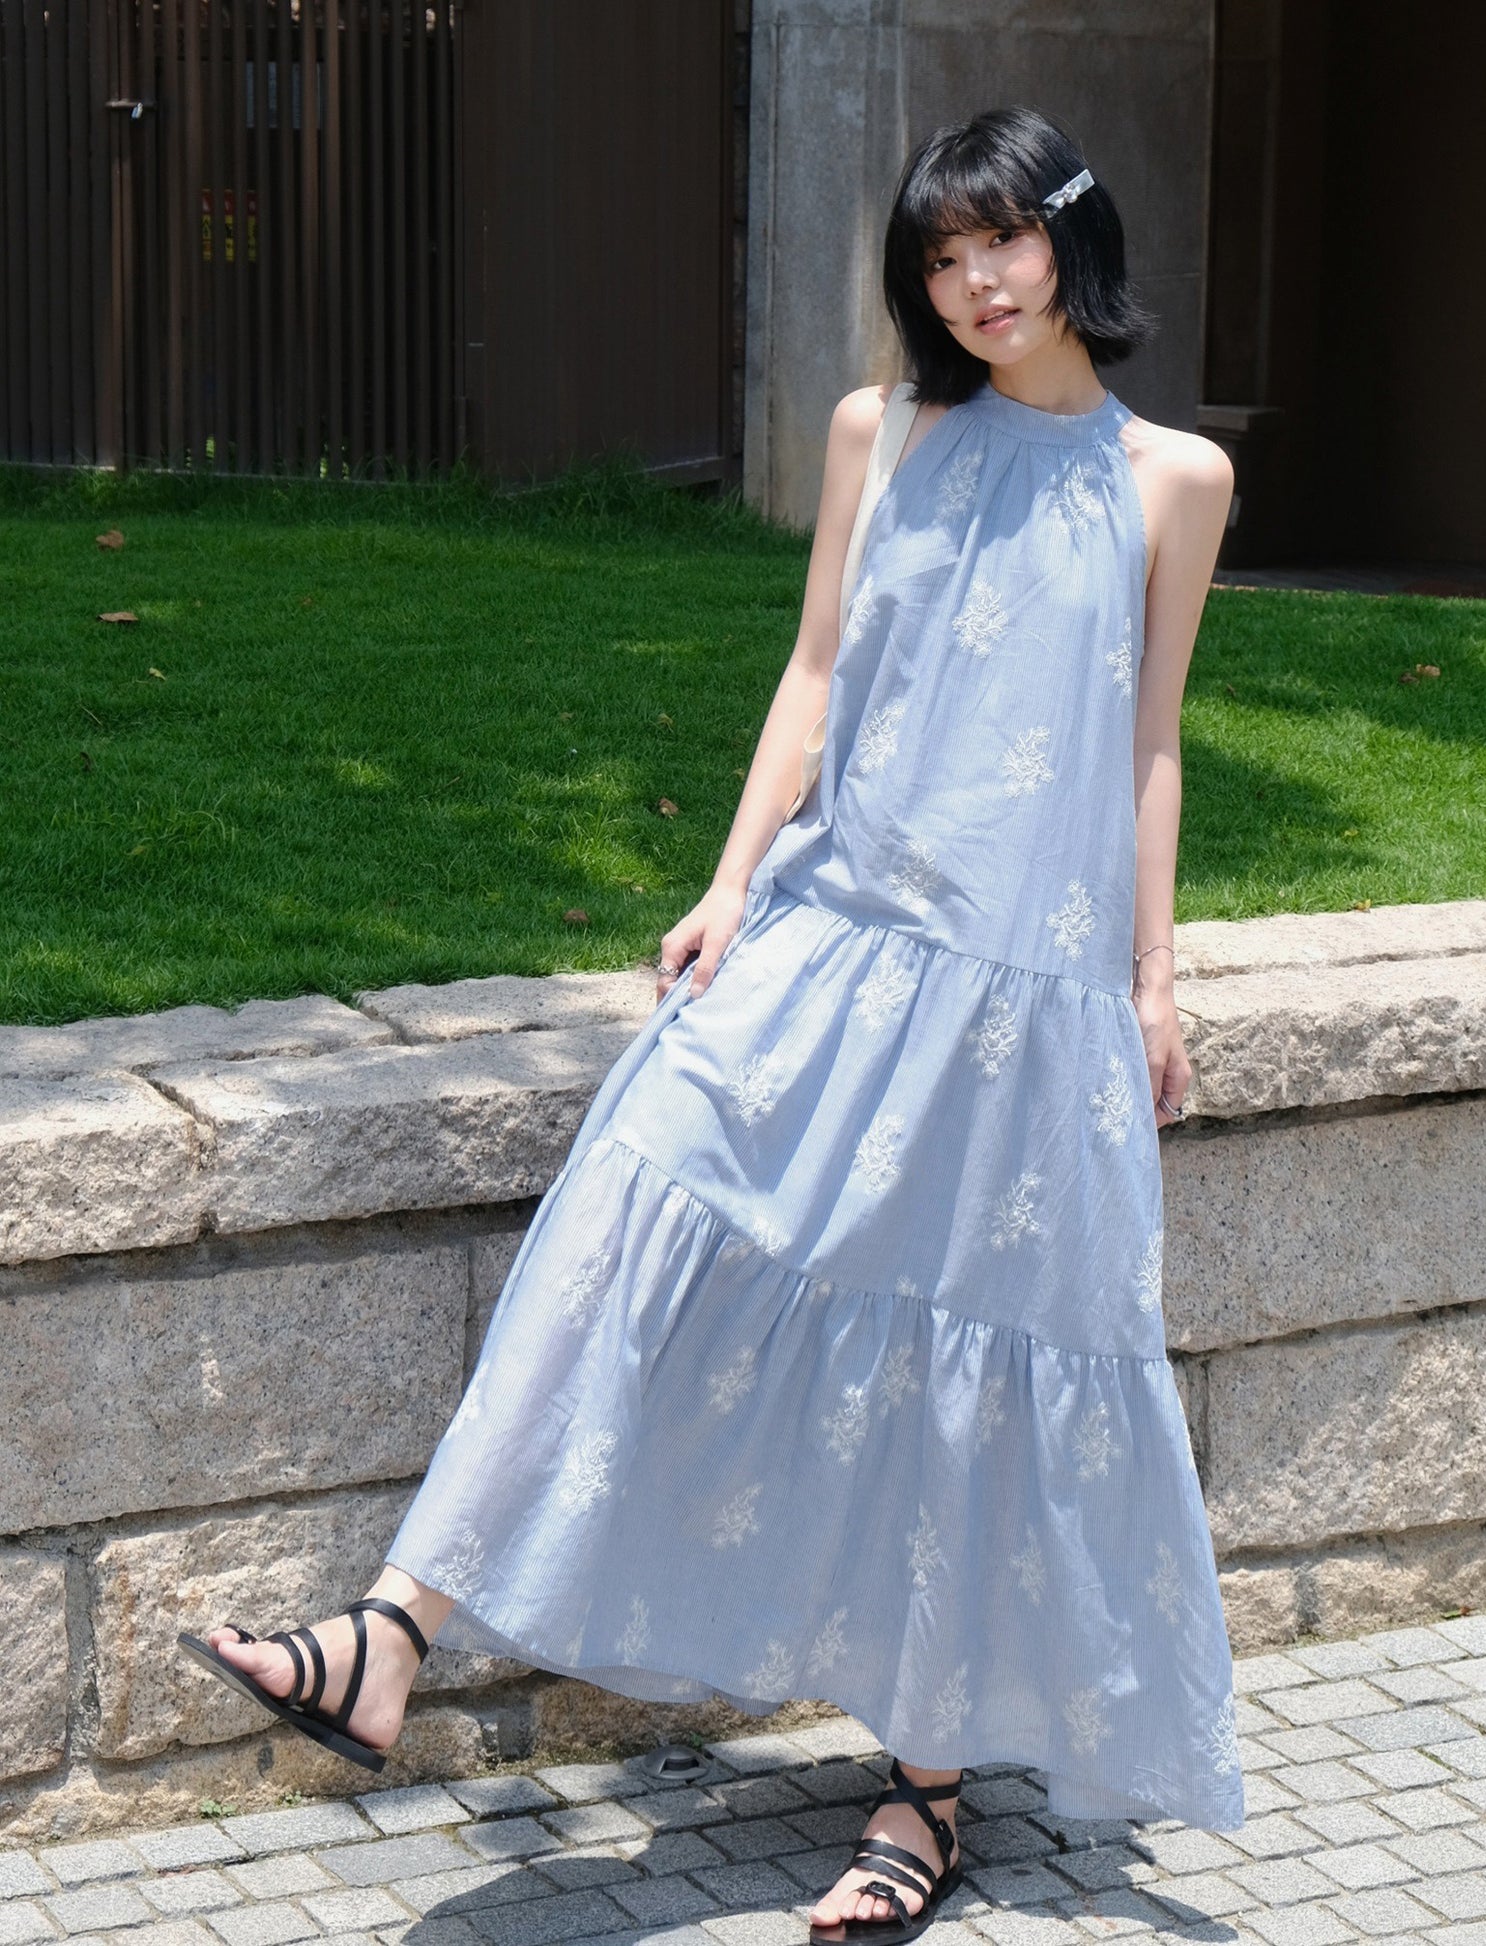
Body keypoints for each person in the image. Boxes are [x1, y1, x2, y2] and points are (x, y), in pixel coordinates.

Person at [180, 104, 1242, 1944]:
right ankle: (392, 1630)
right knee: (627, 1210)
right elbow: (815, 669)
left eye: (1000, 241)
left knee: (957, 1372)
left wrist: (1152, 983)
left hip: (1024, 995)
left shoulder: (1174, 479)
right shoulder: (880, 429)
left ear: (1072, 236)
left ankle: (924, 1796)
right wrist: (734, 882)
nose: (974, 285)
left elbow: (1147, 743)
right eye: (938, 257)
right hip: (835, 933)